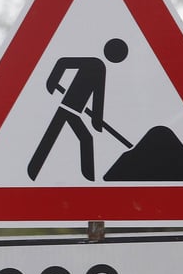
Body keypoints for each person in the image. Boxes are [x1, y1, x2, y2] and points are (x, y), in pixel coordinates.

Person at [27, 38, 128, 181]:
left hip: (73, 111)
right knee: (78, 138)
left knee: (56, 137)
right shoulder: (95, 64)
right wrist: (52, 81)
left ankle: (33, 170)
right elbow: (63, 62)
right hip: (67, 108)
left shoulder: (99, 67)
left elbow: (97, 97)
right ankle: (88, 178)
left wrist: (96, 120)